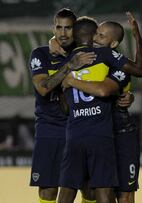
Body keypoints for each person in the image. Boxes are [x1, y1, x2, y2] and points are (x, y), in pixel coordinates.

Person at [58, 16, 142, 203]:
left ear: (113, 43)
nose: (96, 39)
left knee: (124, 192)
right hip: (99, 131)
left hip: (120, 131)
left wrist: (70, 80)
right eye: (95, 34)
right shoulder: (83, 60)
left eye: (101, 36)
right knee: (95, 188)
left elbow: (110, 87)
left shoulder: (112, 61)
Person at [28, 8, 97, 203]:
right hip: (50, 128)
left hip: (80, 127)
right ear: (53, 28)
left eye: (68, 28)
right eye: (59, 27)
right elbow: (43, 88)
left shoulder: (84, 54)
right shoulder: (40, 54)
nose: (63, 33)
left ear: (76, 30)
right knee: (48, 191)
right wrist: (69, 65)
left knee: (90, 189)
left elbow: (102, 36)